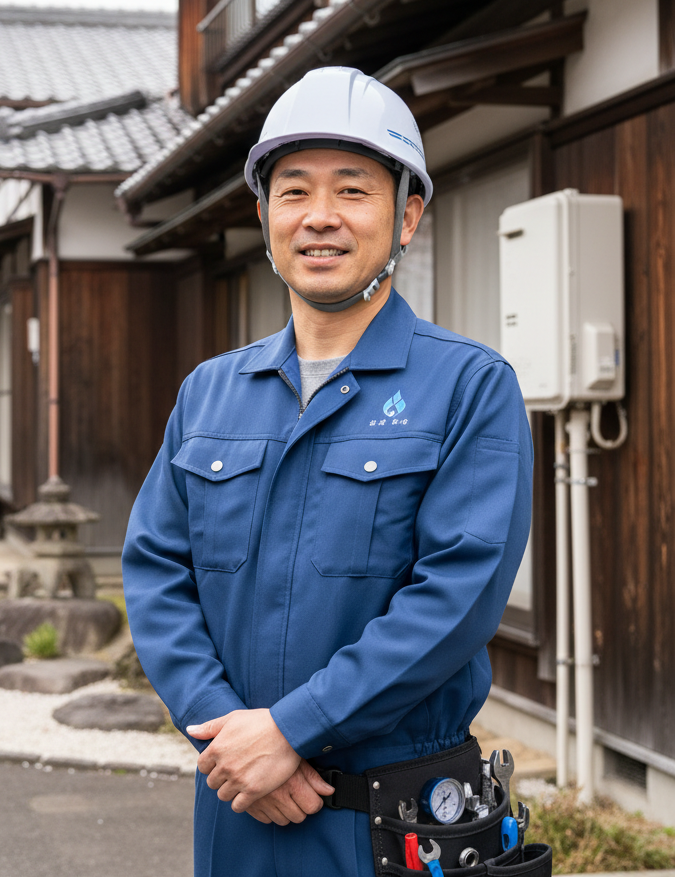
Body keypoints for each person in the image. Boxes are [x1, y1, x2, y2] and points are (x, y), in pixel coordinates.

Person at [122, 67, 533, 877]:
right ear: (267, 217)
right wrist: (226, 732)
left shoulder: (469, 385)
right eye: (294, 191)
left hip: (398, 820)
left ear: (407, 215)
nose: (320, 218)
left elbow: (456, 599)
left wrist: (290, 730)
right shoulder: (209, 393)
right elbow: (155, 573)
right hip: (236, 805)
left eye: (353, 190)